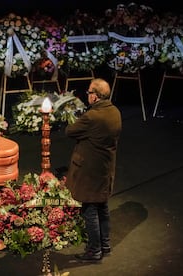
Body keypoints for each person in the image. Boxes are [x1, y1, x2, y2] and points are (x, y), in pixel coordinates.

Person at [65, 78, 122, 262]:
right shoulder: (115, 111)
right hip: (105, 169)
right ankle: (105, 245)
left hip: (90, 172)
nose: (87, 94)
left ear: (95, 96)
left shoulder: (92, 116)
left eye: (89, 92)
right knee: (102, 208)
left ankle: (94, 251)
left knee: (90, 211)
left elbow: (70, 131)